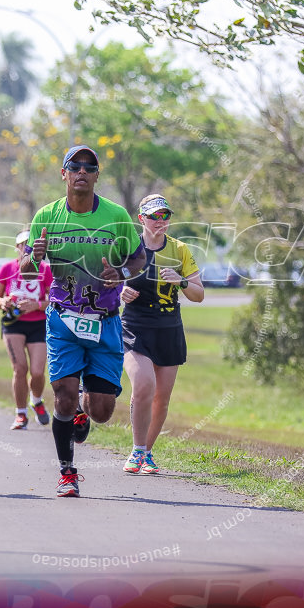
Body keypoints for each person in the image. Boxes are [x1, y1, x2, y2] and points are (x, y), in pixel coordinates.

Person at [23, 145, 146, 498]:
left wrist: (119, 272)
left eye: (89, 167)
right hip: (62, 319)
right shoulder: (46, 217)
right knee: (61, 395)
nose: (81, 171)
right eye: (74, 166)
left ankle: (83, 405)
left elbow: (139, 261)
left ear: (96, 175)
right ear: (63, 173)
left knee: (102, 411)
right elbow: (25, 269)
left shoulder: (116, 215)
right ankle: (67, 472)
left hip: (105, 320)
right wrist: (36, 256)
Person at [120, 194, 203, 474]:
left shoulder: (180, 250)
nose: (160, 221)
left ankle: (147, 452)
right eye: (154, 216)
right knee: (144, 384)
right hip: (134, 326)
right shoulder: (128, 247)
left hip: (168, 327)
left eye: (165, 216)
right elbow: (105, 281)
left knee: (161, 398)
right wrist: (120, 291)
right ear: (141, 218)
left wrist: (180, 281)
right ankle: (136, 449)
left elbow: (199, 294)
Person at [0, 230, 53, 430]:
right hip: (13, 324)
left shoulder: (45, 269)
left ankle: (36, 401)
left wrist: (37, 305)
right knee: (20, 369)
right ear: (17, 247)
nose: (25, 248)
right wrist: (4, 302)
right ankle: (20, 414)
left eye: (30, 244)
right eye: (22, 244)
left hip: (38, 323)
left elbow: (54, 300)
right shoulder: (7, 268)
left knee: (37, 372)